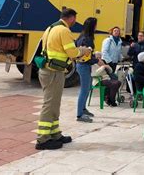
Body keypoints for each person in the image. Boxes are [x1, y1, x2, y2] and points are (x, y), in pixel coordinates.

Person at [36, 8, 91, 150]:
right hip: (52, 72)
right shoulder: (64, 30)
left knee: (54, 104)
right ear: (71, 18)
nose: (75, 22)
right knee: (49, 105)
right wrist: (84, 50)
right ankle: (42, 140)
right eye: (75, 19)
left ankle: (54, 134)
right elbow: (72, 52)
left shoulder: (51, 27)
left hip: (49, 70)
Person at [75, 17, 102, 123]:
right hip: (83, 66)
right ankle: (79, 115)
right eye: (95, 24)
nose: (96, 26)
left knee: (88, 87)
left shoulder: (85, 36)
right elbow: (85, 56)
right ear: (92, 26)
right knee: (84, 89)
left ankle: (83, 109)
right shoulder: (85, 38)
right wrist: (97, 61)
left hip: (85, 66)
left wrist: (95, 56)